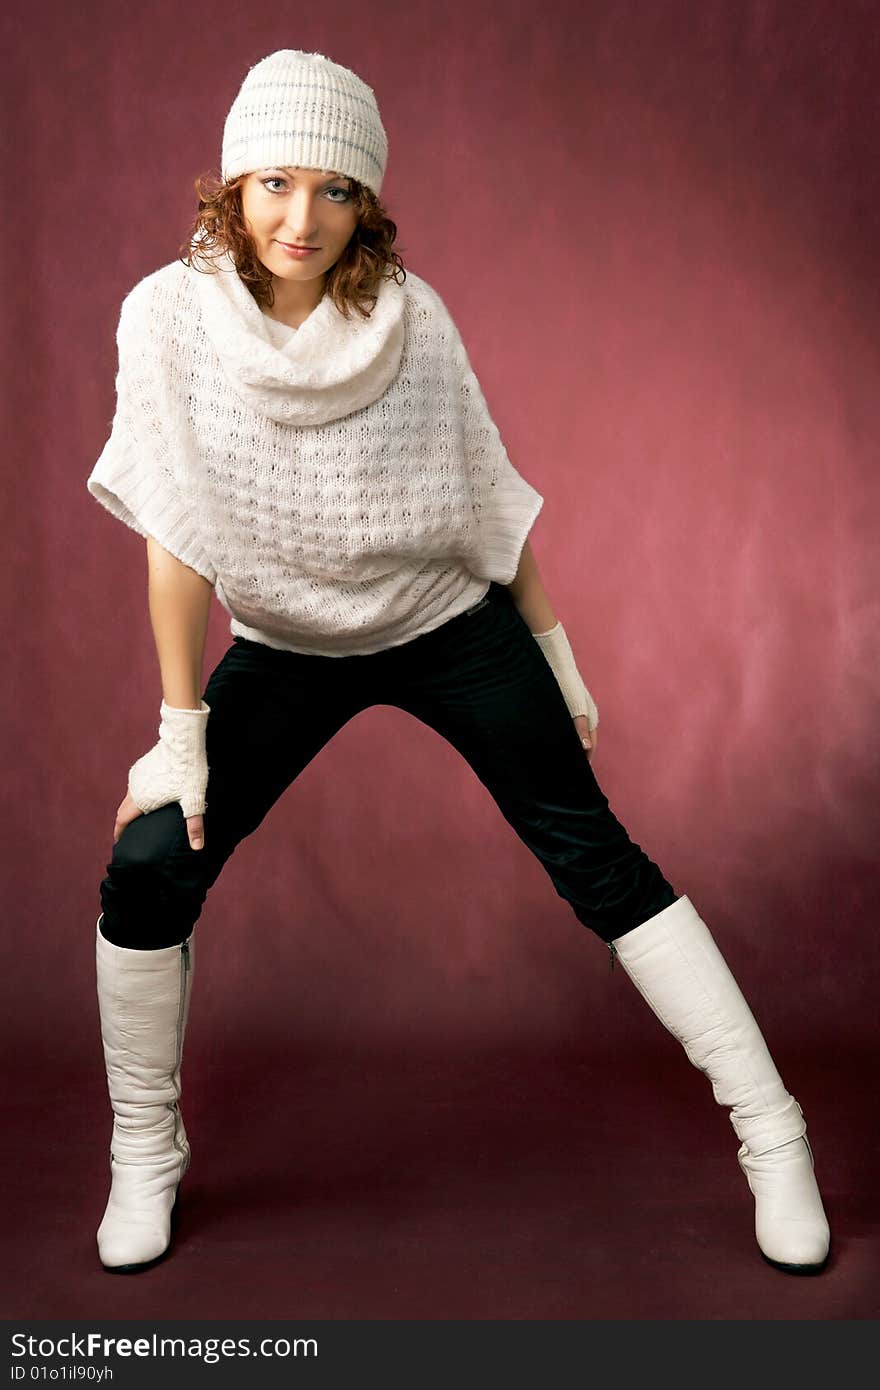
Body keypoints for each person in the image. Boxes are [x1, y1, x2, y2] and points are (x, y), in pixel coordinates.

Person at [86, 48, 830, 1278]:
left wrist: (553, 651)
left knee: (595, 855)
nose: (300, 218)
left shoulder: (409, 318)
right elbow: (173, 538)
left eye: (333, 191)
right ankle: (143, 1149)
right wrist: (179, 736)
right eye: (274, 182)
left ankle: (774, 1133)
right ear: (231, 183)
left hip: (447, 626)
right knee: (151, 861)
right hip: (285, 646)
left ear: (366, 204)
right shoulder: (164, 317)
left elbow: (483, 500)